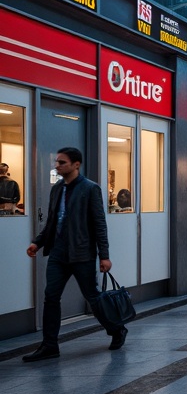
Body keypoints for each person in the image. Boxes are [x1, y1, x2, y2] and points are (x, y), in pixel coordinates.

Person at [23, 146, 126, 360]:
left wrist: (104, 255)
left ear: (76, 165)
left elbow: (99, 224)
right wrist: (38, 243)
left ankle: (116, 329)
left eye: (62, 162)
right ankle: (50, 345)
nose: (57, 165)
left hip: (82, 254)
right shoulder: (57, 189)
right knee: (51, 297)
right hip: (58, 254)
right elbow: (52, 222)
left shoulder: (90, 189)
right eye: (57, 162)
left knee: (93, 297)